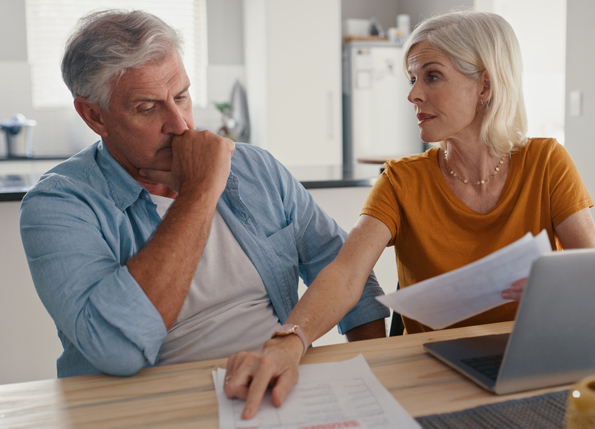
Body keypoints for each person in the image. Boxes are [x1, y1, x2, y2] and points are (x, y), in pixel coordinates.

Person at [224, 10, 595, 418]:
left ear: (484, 85)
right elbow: (346, 274)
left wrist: (557, 291)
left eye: (431, 76)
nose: (413, 95)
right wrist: (288, 341)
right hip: (431, 375)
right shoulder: (402, 180)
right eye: (412, 79)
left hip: (532, 364)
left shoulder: (547, 162)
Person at [19, 9, 388, 380]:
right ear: (94, 116)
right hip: (146, 403)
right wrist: (200, 190)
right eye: (147, 108)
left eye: (181, 96)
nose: (179, 124)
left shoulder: (255, 167)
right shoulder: (58, 204)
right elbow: (117, 351)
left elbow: (350, 277)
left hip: (272, 384)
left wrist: (368, 375)